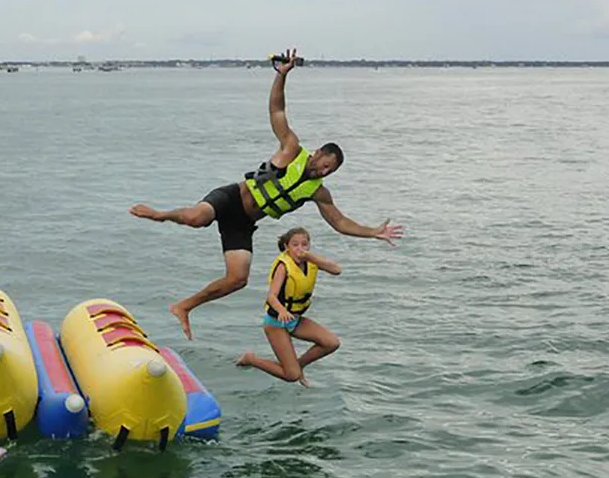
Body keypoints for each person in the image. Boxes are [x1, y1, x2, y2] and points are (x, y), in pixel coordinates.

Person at [129, 48, 404, 339]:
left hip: (244, 223)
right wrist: (281, 76)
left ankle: (184, 306)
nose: (323, 173)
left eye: (329, 172)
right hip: (232, 198)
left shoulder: (318, 193)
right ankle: (161, 215)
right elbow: (277, 110)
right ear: (319, 153)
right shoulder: (292, 149)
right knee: (197, 218)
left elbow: (340, 223)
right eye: (324, 166)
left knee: (238, 279)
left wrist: (373, 232)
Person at [236, 227, 341, 386]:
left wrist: (311, 257)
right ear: (286, 247)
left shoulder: (310, 262)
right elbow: (271, 297)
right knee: (291, 376)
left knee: (331, 343)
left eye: (304, 245)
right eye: (295, 245)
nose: (300, 249)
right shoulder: (283, 267)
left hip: (295, 320)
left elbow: (337, 270)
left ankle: (300, 365)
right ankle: (251, 359)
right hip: (276, 323)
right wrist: (282, 311)